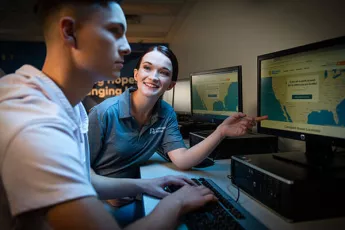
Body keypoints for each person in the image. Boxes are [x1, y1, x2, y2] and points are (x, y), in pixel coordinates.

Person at [0, 1, 217, 229]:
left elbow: (87, 178)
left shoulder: (71, 107)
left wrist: (147, 185)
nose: (126, 48)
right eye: (115, 32)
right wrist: (178, 202)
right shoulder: (37, 123)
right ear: (70, 32)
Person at [88, 45, 268, 180]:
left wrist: (221, 131)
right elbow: (80, 171)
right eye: (147, 68)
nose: (153, 77)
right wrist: (110, 195)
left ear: (171, 85)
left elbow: (182, 160)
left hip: (133, 192)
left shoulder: (166, 114)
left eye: (164, 72)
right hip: (101, 199)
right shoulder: (103, 113)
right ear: (136, 74)